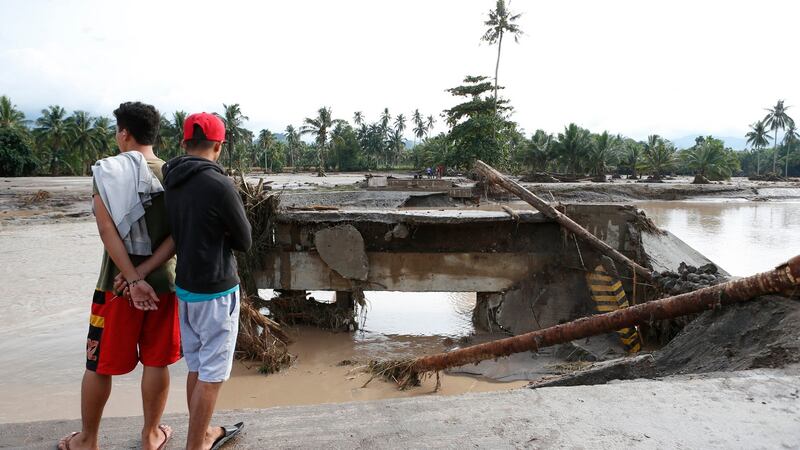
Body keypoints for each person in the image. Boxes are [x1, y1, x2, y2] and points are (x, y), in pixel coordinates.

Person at [59, 101, 180, 450]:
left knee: (99, 365)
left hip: (115, 287)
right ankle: (150, 435)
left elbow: (106, 228)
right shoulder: (173, 173)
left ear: (124, 133)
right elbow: (178, 235)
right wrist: (144, 275)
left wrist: (130, 277)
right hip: (164, 286)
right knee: (157, 361)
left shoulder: (107, 172)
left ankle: (88, 440)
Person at [162, 112, 250, 450]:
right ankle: (196, 445)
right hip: (216, 291)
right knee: (212, 377)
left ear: (185, 143)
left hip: (184, 289)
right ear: (219, 146)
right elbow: (245, 241)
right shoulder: (219, 184)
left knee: (197, 368)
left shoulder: (172, 179)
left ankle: (205, 431)